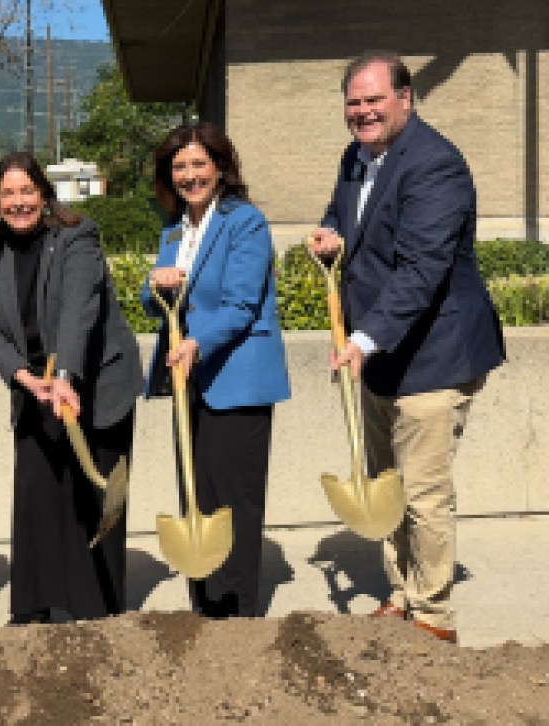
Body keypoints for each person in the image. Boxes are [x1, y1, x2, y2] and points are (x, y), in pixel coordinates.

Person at [308, 51, 505, 643]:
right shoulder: (357, 158)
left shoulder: (435, 165)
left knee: (422, 493)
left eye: (374, 99)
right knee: (386, 481)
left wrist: (364, 339)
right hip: (382, 352)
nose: (363, 111)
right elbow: (347, 219)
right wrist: (330, 234)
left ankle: (435, 617)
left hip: (434, 351)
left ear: (406, 99)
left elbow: (423, 268)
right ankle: (402, 593)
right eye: (354, 102)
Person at [0, 151, 143, 624]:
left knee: (91, 498)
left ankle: (95, 613)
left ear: (43, 194)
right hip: (36, 386)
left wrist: (65, 374)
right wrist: (27, 379)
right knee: (38, 497)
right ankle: (35, 609)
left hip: (94, 384)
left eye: (26, 191)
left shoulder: (77, 235)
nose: (18, 202)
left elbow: (80, 307)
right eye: (7, 194)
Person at [141, 121, 291, 619]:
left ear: (221, 167)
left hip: (236, 381)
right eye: (179, 166)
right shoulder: (175, 230)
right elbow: (154, 300)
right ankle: (205, 605)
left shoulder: (245, 222)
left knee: (234, 502)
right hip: (191, 384)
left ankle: (238, 613)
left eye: (199, 164)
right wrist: (155, 282)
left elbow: (243, 303)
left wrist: (197, 343)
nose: (189, 175)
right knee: (197, 495)